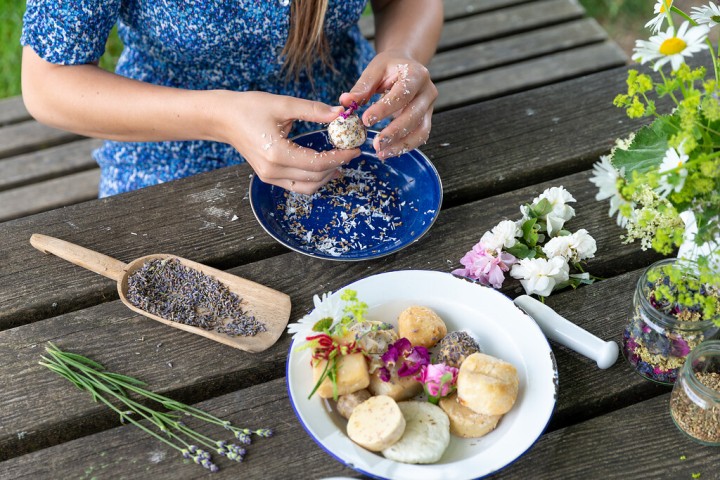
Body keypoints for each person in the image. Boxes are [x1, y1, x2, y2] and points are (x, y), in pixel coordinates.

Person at [20, 0, 442, 197]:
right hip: (171, 133)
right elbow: (47, 83)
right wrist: (220, 117)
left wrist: (402, 56)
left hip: (342, 120)